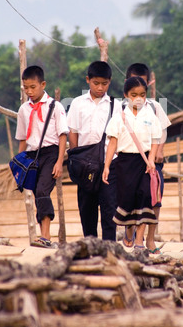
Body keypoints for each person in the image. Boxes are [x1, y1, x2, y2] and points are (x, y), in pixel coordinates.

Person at [102, 76, 162, 251]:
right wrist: (106, 166)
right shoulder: (119, 117)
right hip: (124, 163)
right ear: (126, 95)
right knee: (127, 200)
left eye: (142, 95)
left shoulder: (150, 115)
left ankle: (139, 240)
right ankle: (129, 231)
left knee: (144, 198)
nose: (138, 98)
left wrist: (151, 159)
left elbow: (155, 139)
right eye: (134, 94)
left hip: (143, 164)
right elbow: (112, 143)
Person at [67, 61, 121, 241]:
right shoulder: (77, 104)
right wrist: (75, 158)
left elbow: (118, 136)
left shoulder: (116, 105)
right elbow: (73, 132)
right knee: (86, 210)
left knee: (109, 210)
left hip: (109, 166)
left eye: (104, 84)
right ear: (87, 80)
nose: (100, 87)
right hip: (84, 167)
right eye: (96, 83)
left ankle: (109, 250)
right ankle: (90, 248)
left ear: (110, 82)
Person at [15, 65, 69, 248]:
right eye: (26, 88)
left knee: (43, 190)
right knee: (37, 192)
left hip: (51, 153)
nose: (29, 91)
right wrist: (19, 163)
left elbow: (63, 135)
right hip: (31, 155)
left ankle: (45, 235)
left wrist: (60, 161)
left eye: (33, 87)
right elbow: (22, 138)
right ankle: (42, 235)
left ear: (43, 84)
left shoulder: (55, 106)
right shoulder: (23, 109)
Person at [126, 63, 171, 253]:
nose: (138, 89)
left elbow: (162, 129)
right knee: (129, 198)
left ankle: (148, 240)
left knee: (154, 199)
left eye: (142, 84)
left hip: (152, 159)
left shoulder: (154, 106)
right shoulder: (121, 107)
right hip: (129, 160)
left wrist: (159, 151)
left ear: (148, 83)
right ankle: (129, 229)